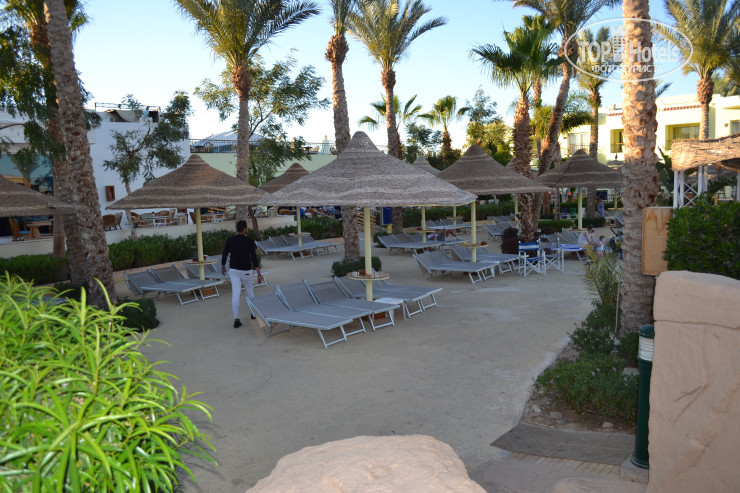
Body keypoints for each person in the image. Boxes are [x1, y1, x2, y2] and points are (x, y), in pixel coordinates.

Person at [221, 220, 263, 328]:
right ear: (244, 229)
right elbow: (253, 258)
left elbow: (224, 253)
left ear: (237, 229)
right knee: (250, 292)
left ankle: (236, 319)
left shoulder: (230, 240)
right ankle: (253, 314)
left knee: (236, 294)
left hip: (234, 271)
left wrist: (223, 267)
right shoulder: (249, 241)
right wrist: (259, 274)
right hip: (247, 271)